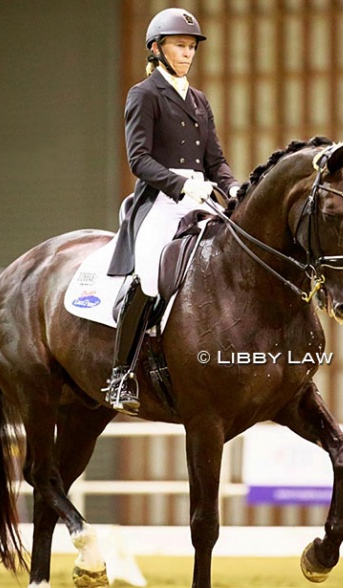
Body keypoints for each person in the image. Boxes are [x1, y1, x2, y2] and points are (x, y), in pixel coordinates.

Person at [105, 7, 240, 414]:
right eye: (180, 46)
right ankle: (120, 375)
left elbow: (215, 159)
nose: (187, 54)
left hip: (203, 197)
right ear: (157, 49)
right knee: (148, 277)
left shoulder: (199, 100)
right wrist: (181, 184)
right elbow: (139, 159)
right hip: (161, 200)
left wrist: (232, 187)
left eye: (191, 47)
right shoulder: (143, 94)